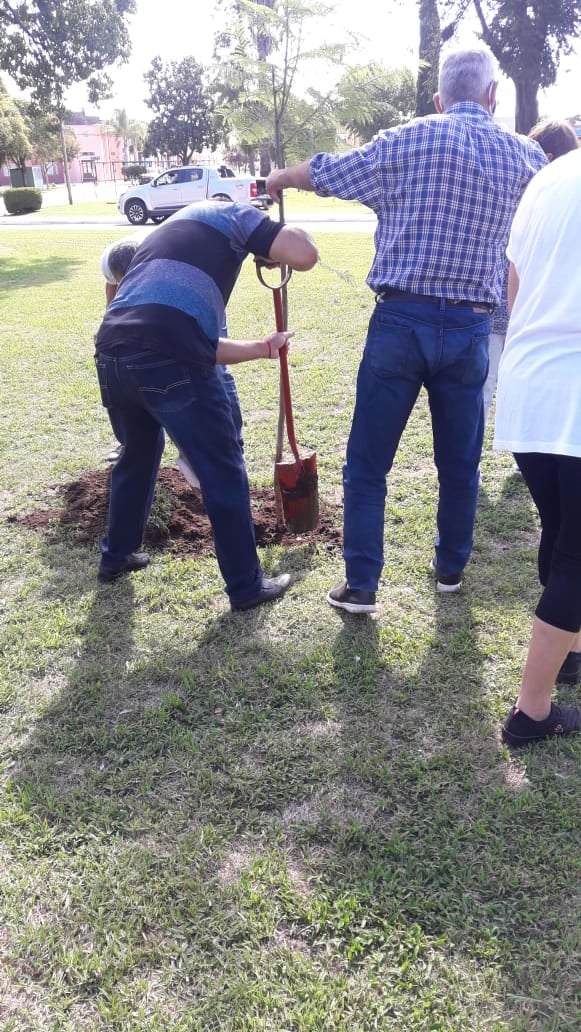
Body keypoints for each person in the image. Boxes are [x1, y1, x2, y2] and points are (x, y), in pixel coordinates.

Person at [266, 46, 546, 613]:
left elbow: (327, 172)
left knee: (369, 462)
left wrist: (279, 178)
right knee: (460, 463)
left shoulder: (407, 140)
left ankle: (363, 585)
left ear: (439, 99)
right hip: (471, 329)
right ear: (493, 96)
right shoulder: (527, 159)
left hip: (399, 322)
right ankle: (450, 569)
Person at [94, 201, 318, 610]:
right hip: (166, 360)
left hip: (112, 354)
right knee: (222, 469)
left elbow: (183, 338)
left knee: (138, 455)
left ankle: (117, 555)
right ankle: (246, 587)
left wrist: (262, 348)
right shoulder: (237, 216)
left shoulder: (170, 239)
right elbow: (305, 254)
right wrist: (276, 239)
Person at [494, 148, 581, 746]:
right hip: (573, 383)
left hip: (530, 380)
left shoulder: (551, 176)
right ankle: (532, 712)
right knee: (578, 551)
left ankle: (570, 654)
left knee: (564, 528)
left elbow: (514, 288)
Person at [99, 238, 244, 481]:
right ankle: (138, 446)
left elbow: (205, 349)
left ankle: (230, 443)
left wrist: (264, 348)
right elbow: (112, 300)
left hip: (200, 299)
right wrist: (113, 327)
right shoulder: (110, 264)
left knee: (215, 371)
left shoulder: (175, 282)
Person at [482, 120, 579, 427]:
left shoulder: (531, 188)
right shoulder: (551, 194)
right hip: (522, 306)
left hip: (507, 304)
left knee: (489, 385)